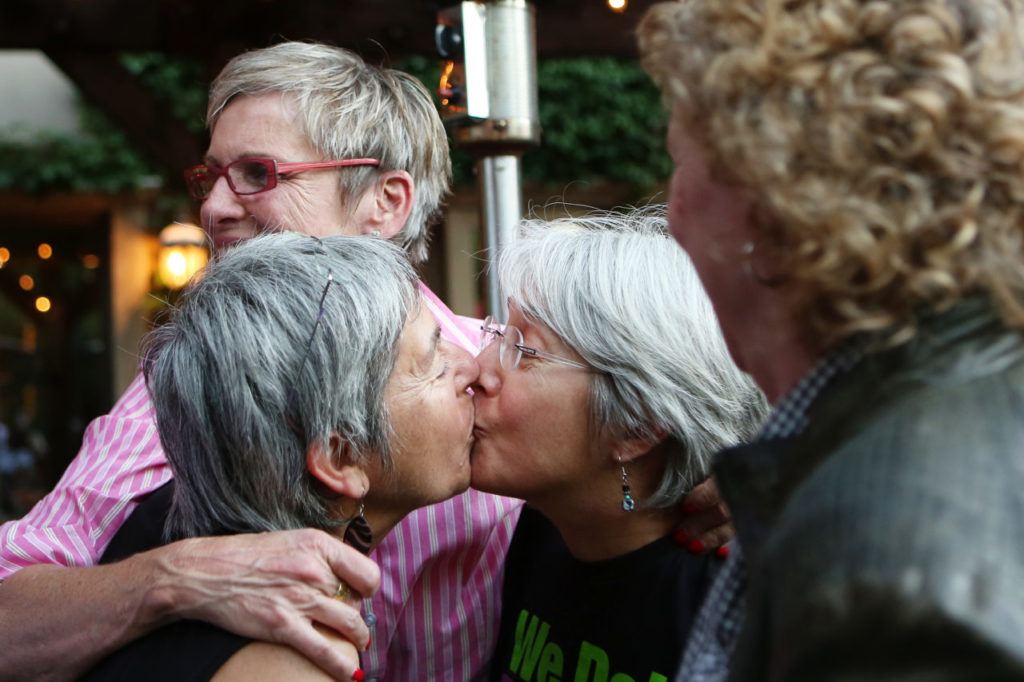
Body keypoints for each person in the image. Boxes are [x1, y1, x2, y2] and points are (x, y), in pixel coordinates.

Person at [0, 41, 727, 682]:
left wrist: (732, 471)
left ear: (386, 200)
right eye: (210, 176)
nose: (215, 207)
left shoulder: (501, 382)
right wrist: (171, 580)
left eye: (257, 173)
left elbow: (653, 413)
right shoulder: (199, 385)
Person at [639, 0, 1024, 679]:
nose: (669, 216)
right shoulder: (957, 405)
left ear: (773, 199)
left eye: (677, 161)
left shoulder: (883, 565)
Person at [80, 232, 478, 680]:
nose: (472, 367)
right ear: (341, 457)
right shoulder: (290, 665)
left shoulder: (161, 526)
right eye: (435, 362)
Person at [471, 208, 767, 682]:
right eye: (501, 334)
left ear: (637, 425)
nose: (479, 369)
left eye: (524, 351)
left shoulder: (746, 617)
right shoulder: (545, 530)